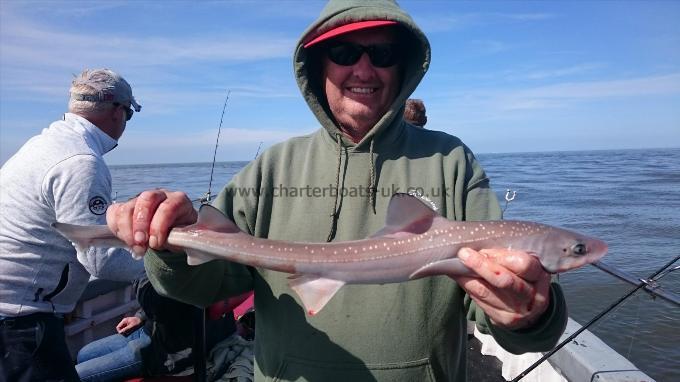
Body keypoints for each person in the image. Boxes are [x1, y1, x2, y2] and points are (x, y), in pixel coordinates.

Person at [106, 1, 568, 381]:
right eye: (345, 52)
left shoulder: (452, 163)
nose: (364, 67)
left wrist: (530, 313)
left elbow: (503, 320)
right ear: (318, 66)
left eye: (383, 54)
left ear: (403, 67)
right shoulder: (273, 166)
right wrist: (167, 244)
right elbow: (205, 286)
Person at [0, 68, 146, 381]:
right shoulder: (81, 162)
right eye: (130, 114)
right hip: (20, 323)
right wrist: (167, 265)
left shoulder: (41, 147)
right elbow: (101, 259)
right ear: (118, 111)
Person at [75, 275, 237, 381]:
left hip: (168, 349)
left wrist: (137, 265)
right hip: (150, 329)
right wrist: (140, 316)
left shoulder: (194, 267)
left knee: (79, 376)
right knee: (84, 353)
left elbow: (162, 305)